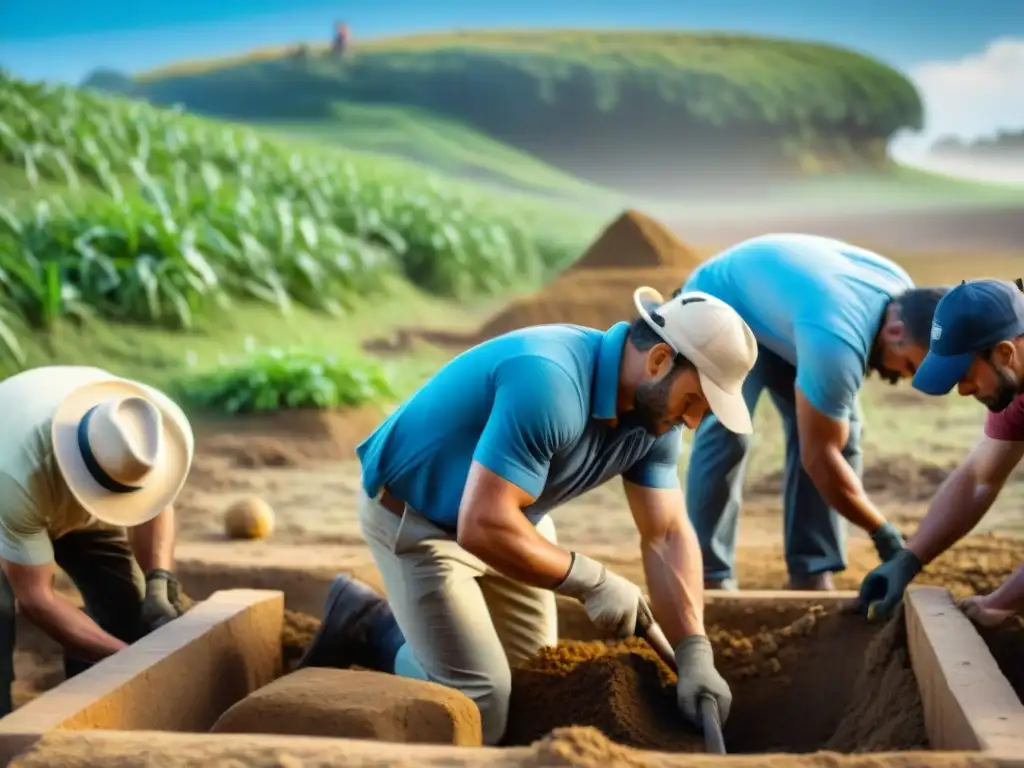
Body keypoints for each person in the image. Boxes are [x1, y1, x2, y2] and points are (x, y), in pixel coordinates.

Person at [297, 286, 759, 745]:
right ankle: (371, 627)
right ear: (660, 360)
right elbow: (481, 525)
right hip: (421, 522)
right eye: (695, 401)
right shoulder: (550, 382)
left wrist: (694, 651)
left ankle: (414, 638)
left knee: (532, 678)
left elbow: (666, 535)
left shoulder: (654, 417)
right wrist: (591, 581)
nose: (694, 421)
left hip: (516, 518)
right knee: (483, 703)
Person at [679, 234, 949, 591]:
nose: (904, 376)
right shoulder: (838, 342)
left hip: (790, 318)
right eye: (910, 365)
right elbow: (821, 457)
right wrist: (883, 534)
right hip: (721, 302)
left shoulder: (906, 300)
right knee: (729, 431)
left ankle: (812, 570)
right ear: (895, 330)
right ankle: (708, 574)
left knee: (841, 433)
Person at [0, 365, 194, 715]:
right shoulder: (15, 477)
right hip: (10, 492)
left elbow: (155, 503)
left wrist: (160, 579)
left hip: (61, 490)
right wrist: (125, 661)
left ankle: (87, 709)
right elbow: (37, 599)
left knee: (130, 612)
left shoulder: (147, 428)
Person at [858, 278, 1024, 625]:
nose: (963, 391)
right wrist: (908, 558)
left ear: (1005, 352)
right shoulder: (1014, 385)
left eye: (964, 375)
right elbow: (981, 477)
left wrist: (1000, 602)